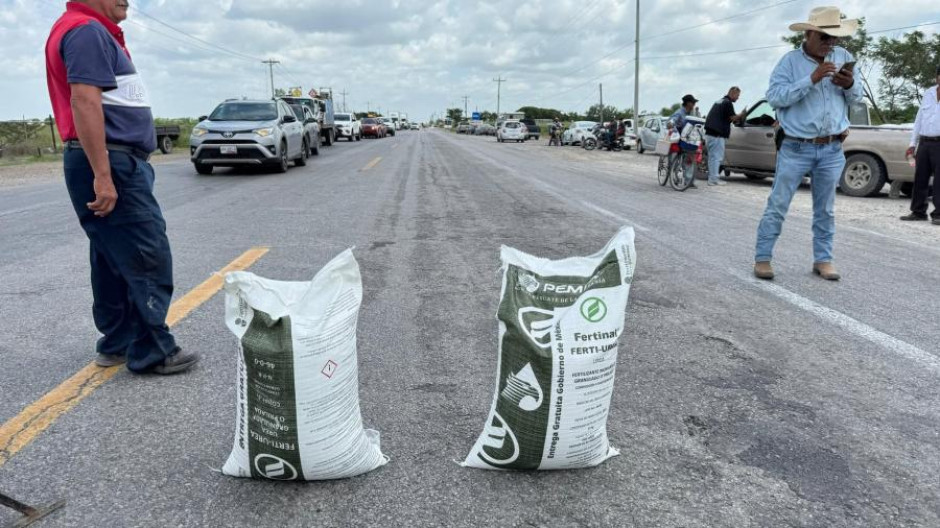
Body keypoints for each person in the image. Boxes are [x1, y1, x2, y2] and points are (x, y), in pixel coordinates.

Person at [45, 0, 198, 374]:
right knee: (147, 251)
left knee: (111, 256)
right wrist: (103, 173)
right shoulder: (86, 30)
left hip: (108, 158)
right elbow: (84, 101)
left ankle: (118, 341)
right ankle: (152, 350)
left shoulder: (85, 29)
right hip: (110, 159)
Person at [752, 6, 863, 281]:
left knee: (825, 209)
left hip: (831, 148)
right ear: (810, 34)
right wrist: (811, 79)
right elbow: (775, 97)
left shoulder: (843, 57)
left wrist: (849, 85)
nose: (831, 44)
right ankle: (763, 258)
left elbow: (856, 98)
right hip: (796, 147)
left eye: (835, 38)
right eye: (825, 38)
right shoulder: (789, 62)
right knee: (778, 204)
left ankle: (823, 259)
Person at [900, 65, 940, 225]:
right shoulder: (928, 93)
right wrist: (912, 143)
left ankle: (938, 214)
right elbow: (919, 120)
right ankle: (918, 211)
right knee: (920, 178)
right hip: (924, 143)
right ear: (937, 76)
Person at [704, 87, 746, 186]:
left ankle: (711, 178)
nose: (738, 98)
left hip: (709, 134)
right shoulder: (727, 103)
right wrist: (742, 114)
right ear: (732, 93)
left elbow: (727, 118)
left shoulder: (720, 101)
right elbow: (732, 117)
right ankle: (714, 179)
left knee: (712, 158)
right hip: (717, 135)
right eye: (738, 95)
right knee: (717, 157)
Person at [668, 94, 700, 188]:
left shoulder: (692, 113)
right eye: (693, 103)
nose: (694, 104)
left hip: (687, 139)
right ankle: (674, 177)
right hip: (677, 138)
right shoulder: (679, 112)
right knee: (675, 158)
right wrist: (671, 124)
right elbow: (672, 120)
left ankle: (689, 180)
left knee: (689, 159)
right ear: (688, 103)